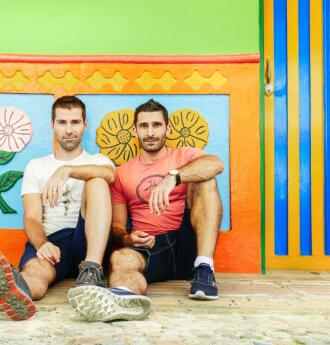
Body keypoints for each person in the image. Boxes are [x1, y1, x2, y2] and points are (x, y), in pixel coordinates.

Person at [68, 99, 224, 322]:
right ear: (135, 130)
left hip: (186, 241)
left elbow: (216, 164)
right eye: (144, 126)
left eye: (156, 125)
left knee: (206, 180)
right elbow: (118, 228)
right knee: (121, 259)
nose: (150, 132)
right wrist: (129, 238)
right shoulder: (122, 173)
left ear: (167, 128)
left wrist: (174, 176)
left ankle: (204, 270)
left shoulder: (184, 156)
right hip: (149, 248)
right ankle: (124, 298)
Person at [0, 95, 115, 321]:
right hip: (53, 240)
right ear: (52, 125)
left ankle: (92, 270)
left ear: (85, 125)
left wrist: (66, 170)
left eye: (75, 122)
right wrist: (43, 244)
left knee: (97, 181)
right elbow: (31, 218)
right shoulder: (37, 166)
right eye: (62, 122)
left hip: (88, 240)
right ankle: (17, 290)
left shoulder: (99, 160)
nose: (69, 129)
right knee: (37, 276)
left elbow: (109, 175)